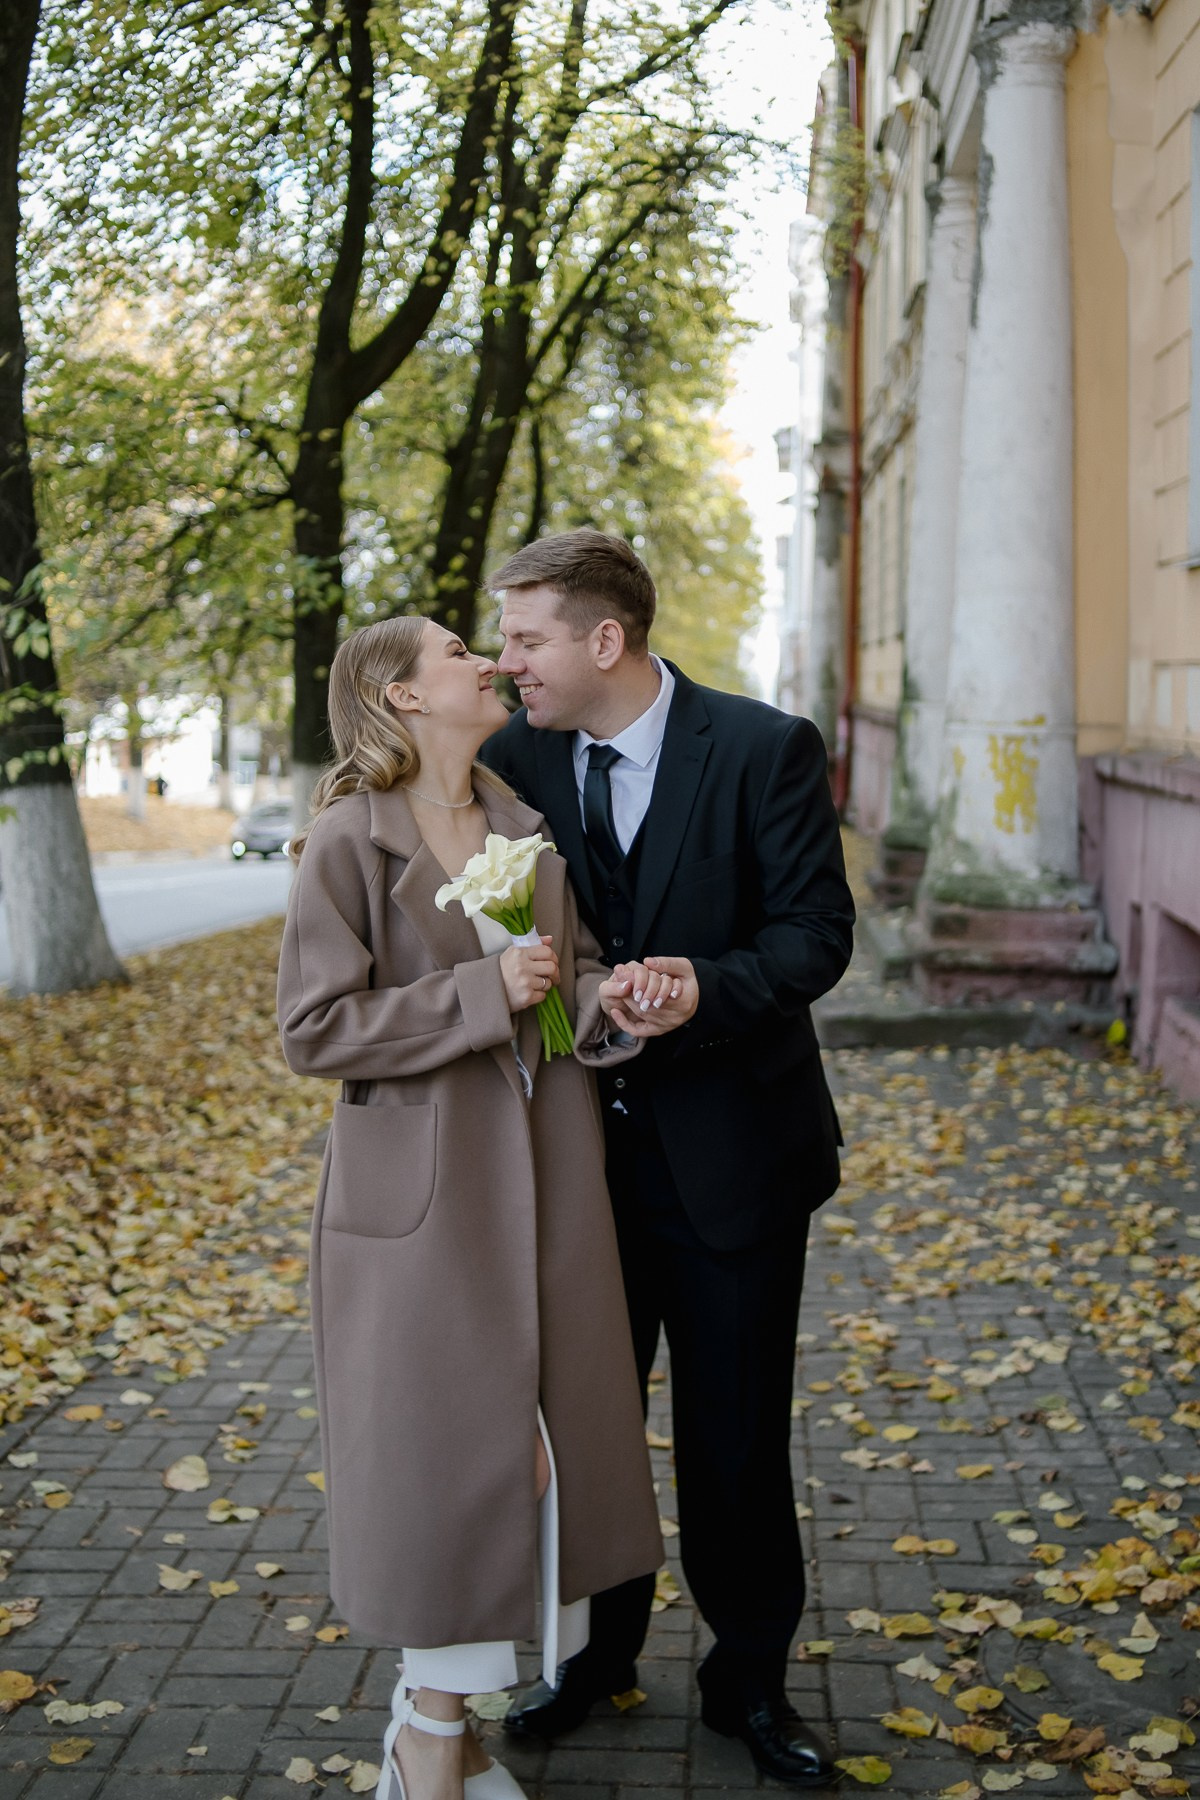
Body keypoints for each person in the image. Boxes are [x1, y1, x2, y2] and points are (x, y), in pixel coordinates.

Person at [478, 528, 855, 1787]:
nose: (506, 660)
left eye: (526, 637)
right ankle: (594, 1658)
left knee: (736, 1440)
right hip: (578, 1163)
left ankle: (747, 1681)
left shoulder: (762, 747)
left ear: (604, 639)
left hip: (737, 1158)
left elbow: (815, 937)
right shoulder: (512, 758)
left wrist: (708, 985)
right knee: (586, 1430)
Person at [277, 615, 667, 1800]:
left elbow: (571, 970)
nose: (483, 662)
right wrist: (476, 991)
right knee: (464, 1461)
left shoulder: (523, 827)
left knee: (541, 1458)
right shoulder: (349, 841)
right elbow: (315, 1029)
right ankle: (432, 1740)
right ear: (401, 696)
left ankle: (440, 1727)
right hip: (424, 1206)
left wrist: (616, 1001)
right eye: (456, 651)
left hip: (549, 1187)